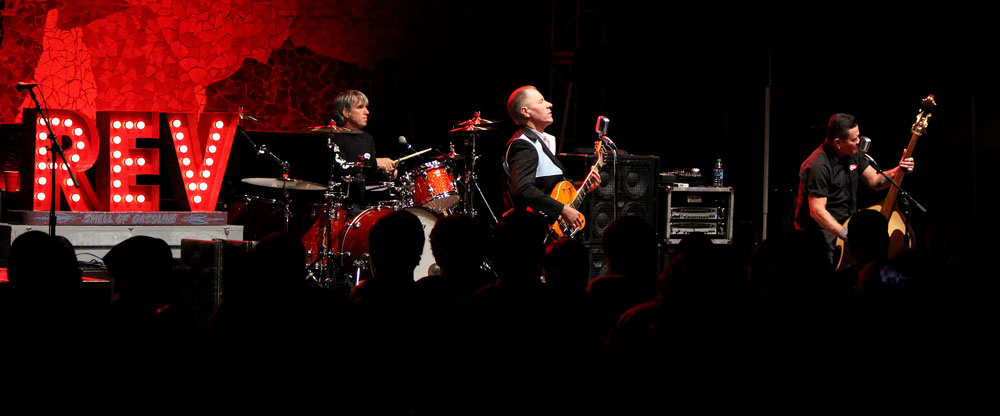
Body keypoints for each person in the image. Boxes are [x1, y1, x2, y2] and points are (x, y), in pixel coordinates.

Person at [794, 113, 915, 265]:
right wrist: (847, 235)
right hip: (821, 239)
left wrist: (899, 170)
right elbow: (817, 211)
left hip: (845, 230)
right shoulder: (818, 165)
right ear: (838, 142)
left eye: (858, 136)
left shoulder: (852, 153)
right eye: (854, 139)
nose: (859, 142)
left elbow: (875, 181)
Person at [503, 85, 600, 229]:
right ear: (525, 111)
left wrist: (584, 185)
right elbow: (523, 189)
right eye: (541, 101)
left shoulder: (537, 142)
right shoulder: (524, 144)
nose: (549, 104)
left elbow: (548, 187)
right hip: (531, 231)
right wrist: (563, 210)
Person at [329, 90, 397, 205]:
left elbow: (367, 175)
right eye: (360, 107)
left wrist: (385, 173)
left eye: (366, 107)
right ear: (346, 113)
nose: (367, 112)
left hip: (362, 203)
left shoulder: (367, 138)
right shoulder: (333, 136)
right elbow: (341, 168)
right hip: (338, 204)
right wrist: (375, 163)